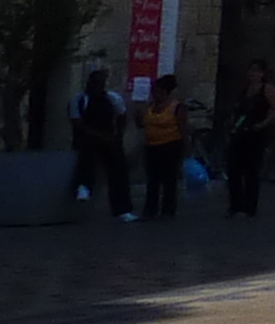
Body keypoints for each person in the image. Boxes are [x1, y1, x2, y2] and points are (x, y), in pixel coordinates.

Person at [68, 60, 133, 220]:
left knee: (119, 168)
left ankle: (122, 209)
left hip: (108, 136)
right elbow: (78, 124)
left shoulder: (112, 98)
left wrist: (118, 136)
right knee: (86, 155)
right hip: (88, 137)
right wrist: (100, 136)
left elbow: (122, 115)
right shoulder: (79, 100)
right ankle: (84, 186)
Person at [225, 60, 275, 218]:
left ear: (262, 73)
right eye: (251, 70)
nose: (252, 74)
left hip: (256, 134)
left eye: (256, 71)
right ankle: (235, 205)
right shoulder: (245, 90)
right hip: (240, 132)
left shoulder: (267, 89)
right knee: (234, 169)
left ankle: (249, 207)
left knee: (251, 171)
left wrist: (263, 124)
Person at [135, 74, 186, 220]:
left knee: (169, 179)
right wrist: (137, 116)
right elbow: (142, 124)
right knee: (152, 179)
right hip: (152, 146)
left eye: (157, 91)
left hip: (170, 145)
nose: (155, 94)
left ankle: (168, 210)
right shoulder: (150, 107)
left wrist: (185, 147)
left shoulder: (176, 107)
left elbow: (183, 127)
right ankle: (150, 209)